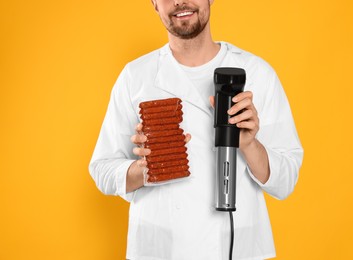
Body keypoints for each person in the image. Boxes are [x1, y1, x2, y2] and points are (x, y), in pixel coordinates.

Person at [89, 0, 304, 259]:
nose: (181, 1)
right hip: (161, 247)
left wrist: (248, 144)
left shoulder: (258, 72)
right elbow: (101, 169)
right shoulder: (135, 76)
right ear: (154, 3)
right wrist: (148, 168)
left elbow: (286, 181)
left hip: (235, 247)